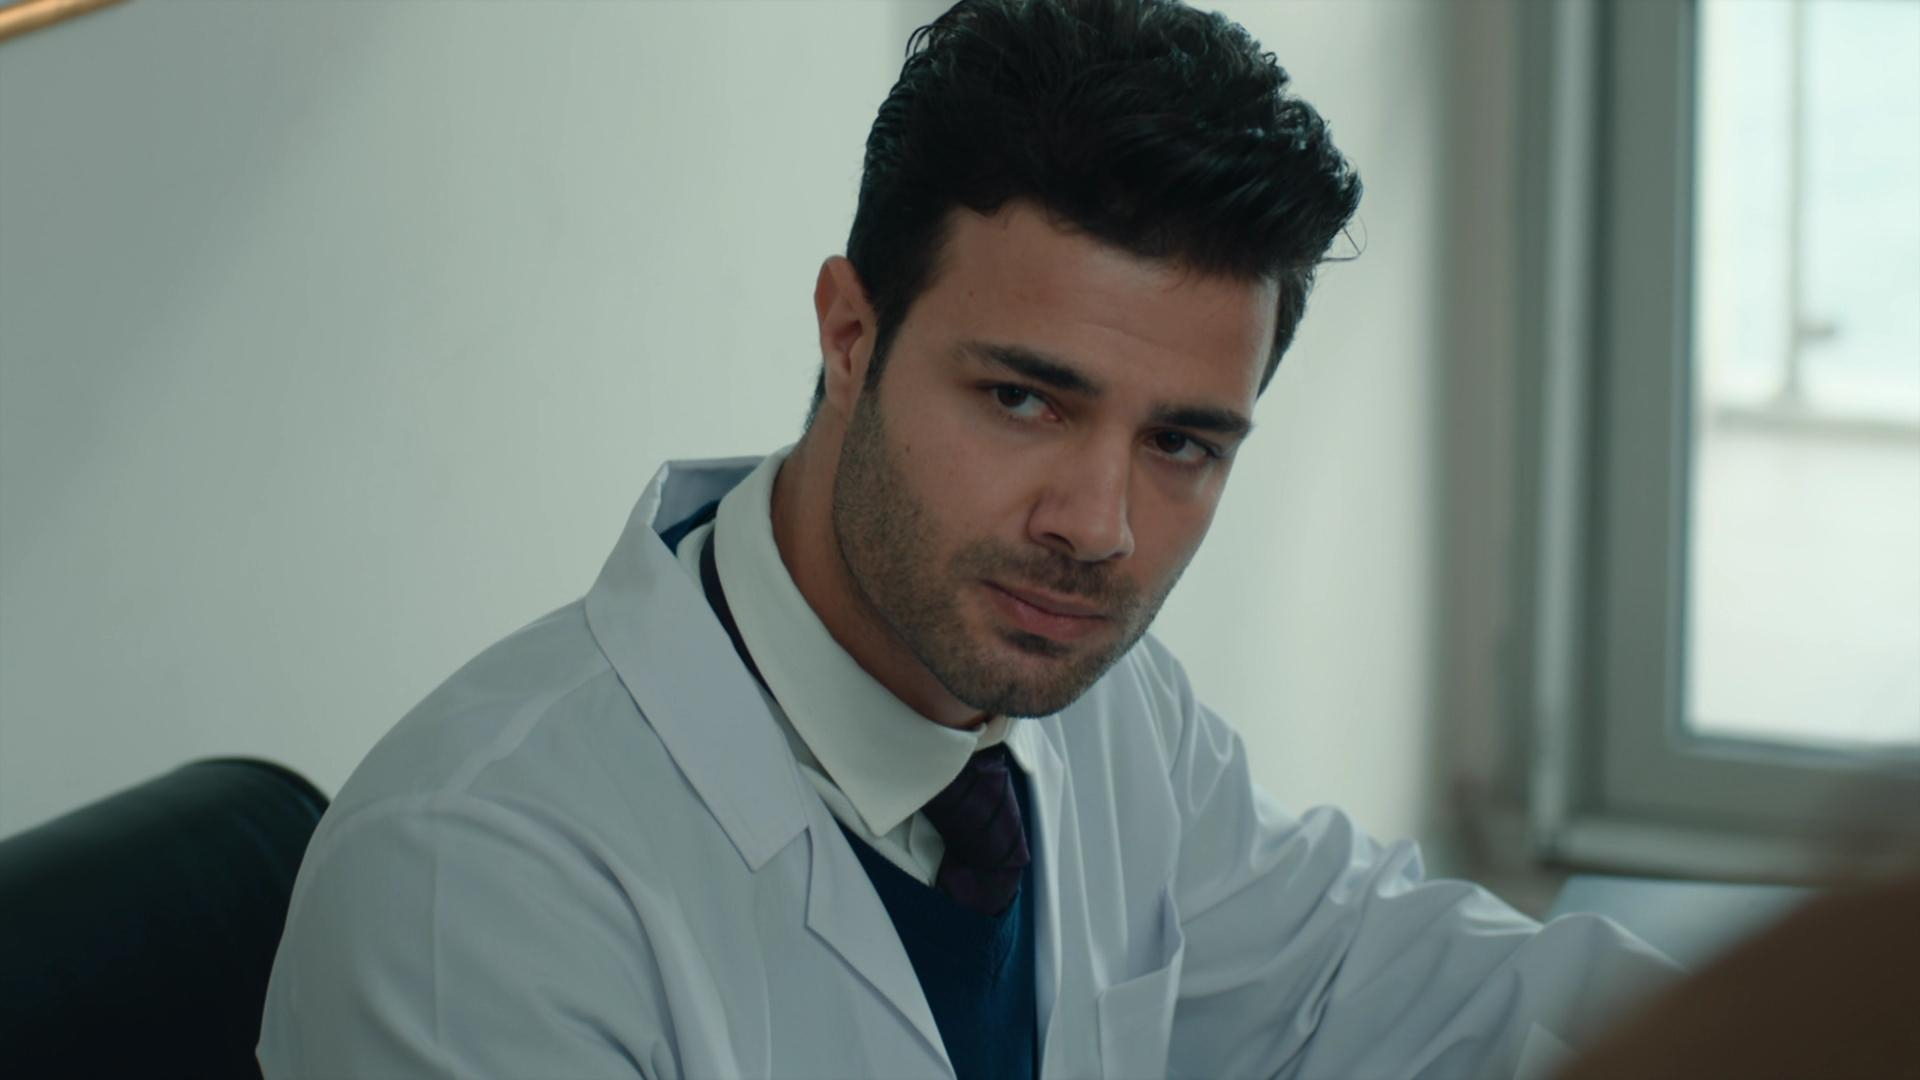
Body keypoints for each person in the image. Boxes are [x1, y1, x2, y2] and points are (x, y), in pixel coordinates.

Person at [259, 2, 1676, 1077]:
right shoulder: (476, 892)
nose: (1097, 529)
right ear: (849, 335)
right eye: (1022, 399)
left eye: (1183, 443)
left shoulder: (1107, 718)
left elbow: (1389, 979)